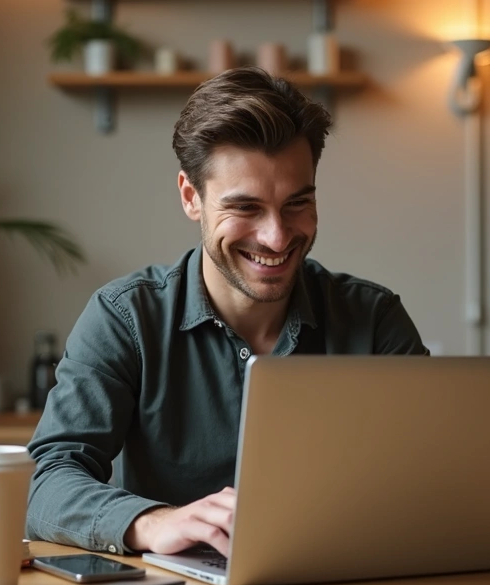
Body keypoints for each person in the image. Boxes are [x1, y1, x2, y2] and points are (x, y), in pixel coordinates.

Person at [25, 68, 429, 558]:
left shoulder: (376, 320)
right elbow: (48, 482)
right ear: (191, 197)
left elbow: (430, 478)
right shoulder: (124, 316)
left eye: (297, 204)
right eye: (247, 208)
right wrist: (154, 523)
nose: (276, 237)